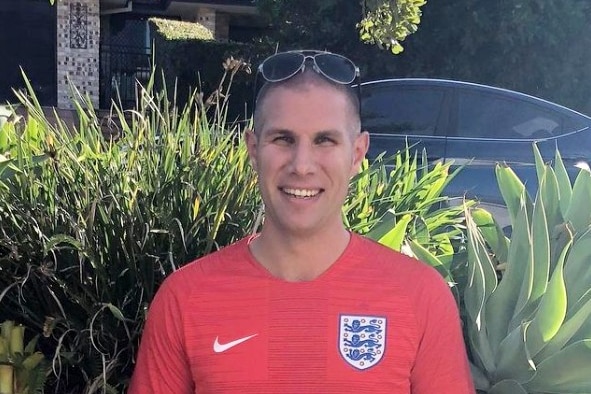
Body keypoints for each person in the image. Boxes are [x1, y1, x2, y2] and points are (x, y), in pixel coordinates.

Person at [128, 50, 475, 393]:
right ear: (253, 149)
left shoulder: (421, 297)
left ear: (356, 153)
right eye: (283, 139)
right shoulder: (185, 298)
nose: (302, 165)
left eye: (325, 140)